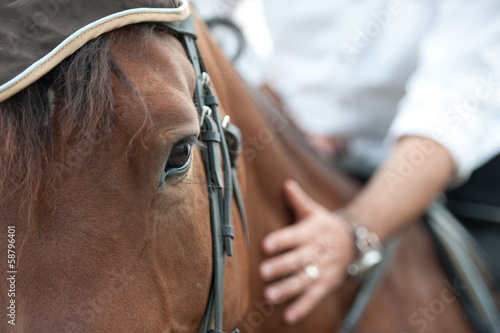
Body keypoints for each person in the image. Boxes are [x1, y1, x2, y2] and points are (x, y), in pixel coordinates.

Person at [196, 0, 500, 325]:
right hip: (289, 140)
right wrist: (266, 101)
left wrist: (356, 231)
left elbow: (460, 94)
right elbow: (205, 11)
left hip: (445, 162)